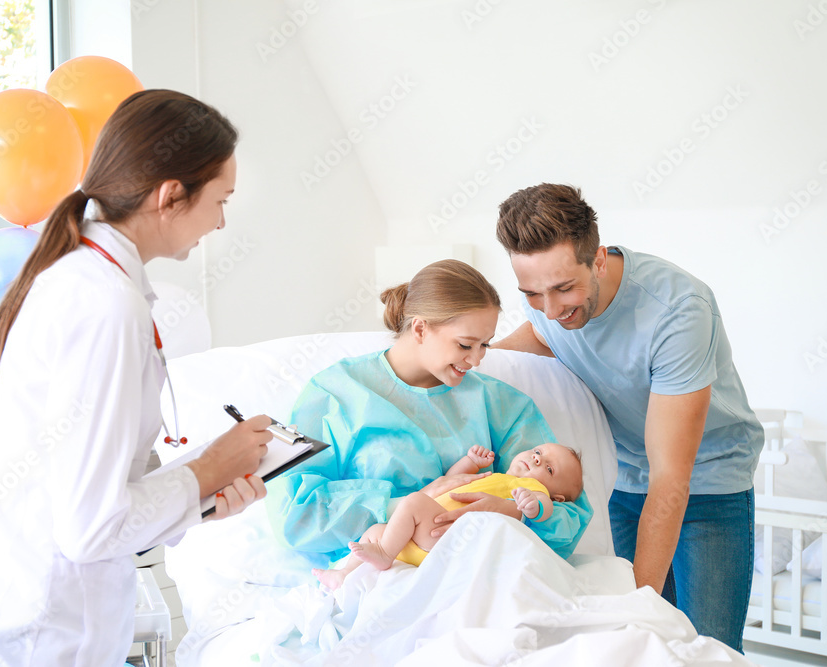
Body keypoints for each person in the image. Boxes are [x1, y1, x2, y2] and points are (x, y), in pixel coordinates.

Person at [0, 90, 274, 667]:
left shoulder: (84, 277)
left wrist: (203, 493)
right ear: (170, 195)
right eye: (220, 200)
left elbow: (85, 487)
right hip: (39, 635)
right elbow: (89, 527)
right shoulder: (105, 305)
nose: (222, 221)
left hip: (23, 616)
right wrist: (208, 470)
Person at [492, 183, 763, 653]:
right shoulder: (547, 301)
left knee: (706, 647)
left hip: (708, 483)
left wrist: (639, 607)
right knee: (632, 645)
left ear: (597, 259)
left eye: (563, 289)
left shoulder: (677, 310)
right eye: (533, 293)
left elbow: (671, 478)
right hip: (623, 479)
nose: (552, 310)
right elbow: (541, 336)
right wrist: (466, 357)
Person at [266, 259, 593, 571]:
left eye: (485, 346)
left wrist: (516, 513)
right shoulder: (332, 393)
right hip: (368, 573)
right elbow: (294, 514)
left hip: (471, 568)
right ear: (420, 328)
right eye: (466, 345)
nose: (477, 360)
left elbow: (569, 511)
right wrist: (403, 505)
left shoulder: (502, 405)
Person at [313, 442, 583, 590]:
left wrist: (533, 506)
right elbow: (452, 482)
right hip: (416, 539)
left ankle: (384, 553)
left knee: (414, 501)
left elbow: (544, 507)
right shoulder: (497, 475)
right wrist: (470, 463)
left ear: (557, 494)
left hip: (446, 536)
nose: (537, 460)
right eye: (538, 452)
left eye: (549, 469)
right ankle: (344, 574)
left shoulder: (529, 490)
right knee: (375, 530)